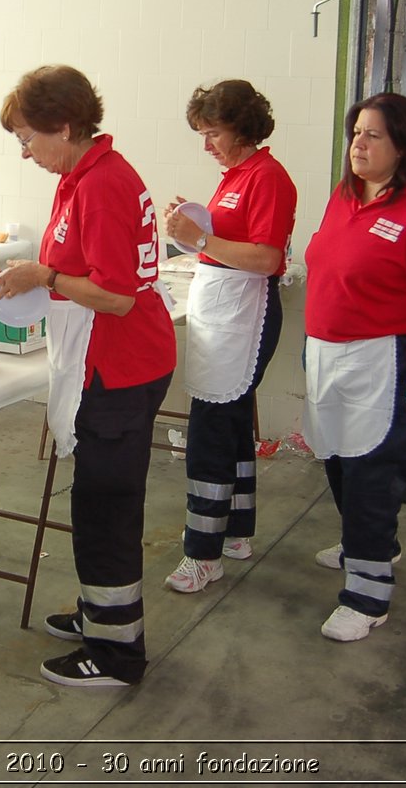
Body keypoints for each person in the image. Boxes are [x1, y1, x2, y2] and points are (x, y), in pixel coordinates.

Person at [0, 64, 176, 688]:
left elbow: (116, 296)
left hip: (120, 367)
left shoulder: (101, 185)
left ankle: (117, 653)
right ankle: (101, 611)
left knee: (106, 507)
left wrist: (44, 278)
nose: (26, 152)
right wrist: (26, 278)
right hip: (109, 359)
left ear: (64, 127)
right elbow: (76, 264)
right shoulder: (79, 174)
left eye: (29, 138)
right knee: (96, 500)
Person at [302, 91, 406, 641]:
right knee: (339, 460)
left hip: (381, 361)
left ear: (403, 147)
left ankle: (367, 595)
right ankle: (367, 543)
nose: (359, 144)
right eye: (356, 133)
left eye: (373, 135)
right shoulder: (344, 197)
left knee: (373, 470)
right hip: (326, 354)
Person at [161, 80, 296, 594]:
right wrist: (197, 223)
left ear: (242, 128)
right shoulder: (235, 176)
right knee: (233, 420)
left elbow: (265, 258)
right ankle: (236, 531)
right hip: (223, 309)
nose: (206, 144)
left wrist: (201, 239)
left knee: (210, 430)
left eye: (212, 132)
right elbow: (229, 239)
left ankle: (203, 551)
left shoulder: (268, 177)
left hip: (246, 313)